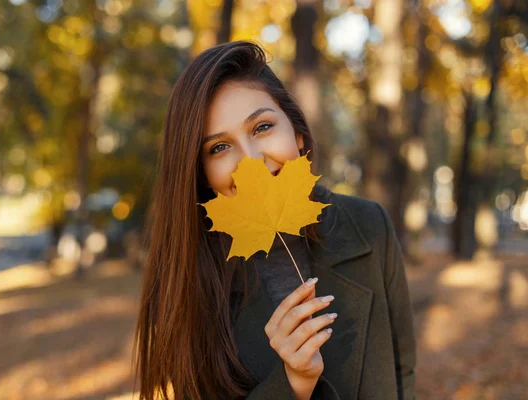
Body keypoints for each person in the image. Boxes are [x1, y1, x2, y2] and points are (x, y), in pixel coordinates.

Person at [133, 41, 416, 400]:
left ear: (297, 133)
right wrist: (292, 383)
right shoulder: (190, 279)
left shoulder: (368, 224)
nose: (250, 162)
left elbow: (402, 370)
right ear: (201, 174)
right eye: (219, 148)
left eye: (262, 127)